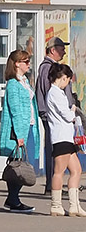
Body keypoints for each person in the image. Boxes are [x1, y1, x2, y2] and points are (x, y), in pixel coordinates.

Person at [0, 49, 38, 213]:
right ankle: (13, 199)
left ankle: (13, 197)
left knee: (23, 164)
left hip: (29, 125)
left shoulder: (25, 81)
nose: (28, 65)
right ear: (16, 63)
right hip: (19, 129)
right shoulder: (13, 84)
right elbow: (15, 110)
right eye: (26, 62)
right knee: (18, 165)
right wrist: (19, 135)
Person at [44, 62, 84, 217]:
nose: (68, 83)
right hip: (61, 137)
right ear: (62, 78)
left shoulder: (57, 93)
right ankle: (56, 205)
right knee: (59, 171)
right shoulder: (54, 93)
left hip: (66, 137)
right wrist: (73, 110)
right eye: (67, 79)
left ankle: (75, 205)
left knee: (76, 170)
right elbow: (67, 115)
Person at [35, 36, 69, 194]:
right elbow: (50, 93)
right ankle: (52, 186)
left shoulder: (51, 67)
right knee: (54, 149)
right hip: (53, 116)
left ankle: (54, 184)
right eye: (61, 48)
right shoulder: (48, 68)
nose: (64, 51)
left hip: (54, 115)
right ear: (53, 50)